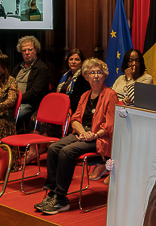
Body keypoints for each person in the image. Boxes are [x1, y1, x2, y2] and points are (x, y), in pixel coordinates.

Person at [37, 58, 117, 215]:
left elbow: (110, 125)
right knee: (53, 148)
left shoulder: (110, 95)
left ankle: (61, 198)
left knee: (66, 152)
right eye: (92, 72)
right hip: (83, 133)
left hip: (100, 138)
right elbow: (75, 119)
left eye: (99, 72)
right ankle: (52, 193)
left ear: (104, 75)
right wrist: (83, 133)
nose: (96, 76)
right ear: (86, 76)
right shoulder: (85, 95)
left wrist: (93, 135)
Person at [14, 35, 50, 130]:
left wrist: (16, 100)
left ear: (36, 50)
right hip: (14, 101)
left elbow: (34, 92)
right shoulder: (18, 67)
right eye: (24, 50)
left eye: (30, 50)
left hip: (30, 104)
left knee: (11, 114)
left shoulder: (42, 69)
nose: (26, 53)